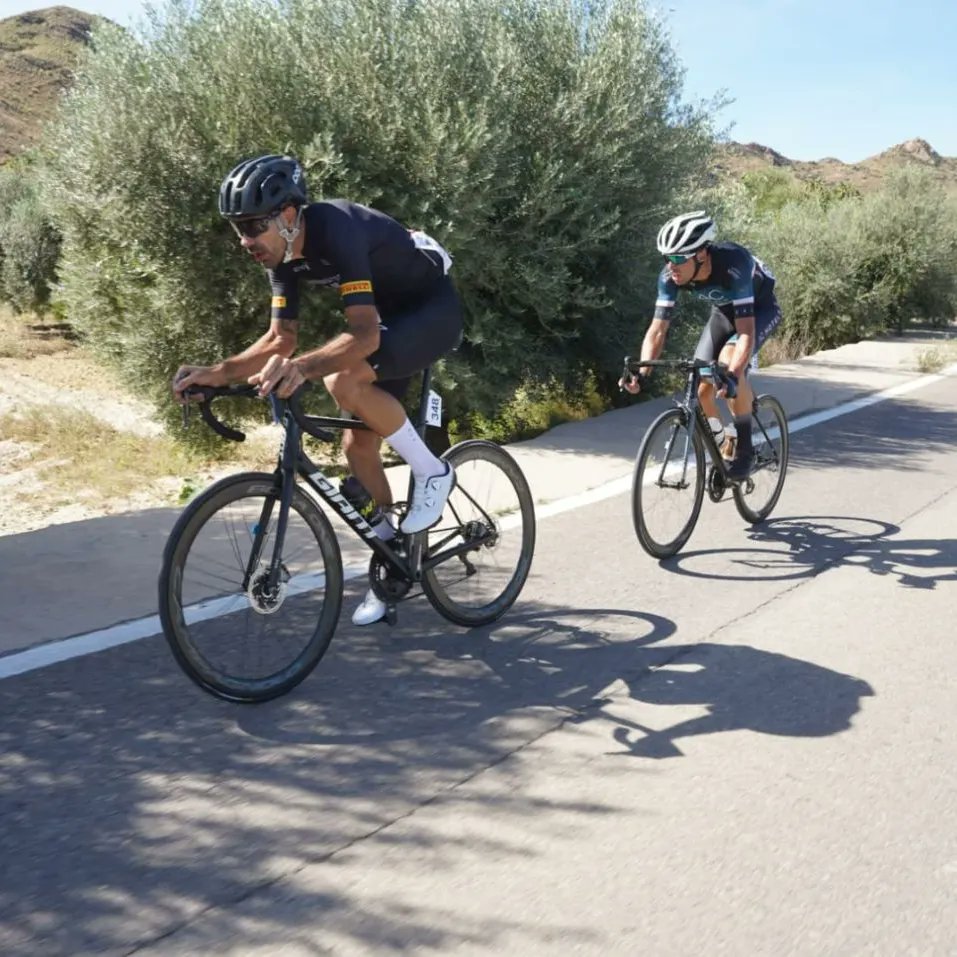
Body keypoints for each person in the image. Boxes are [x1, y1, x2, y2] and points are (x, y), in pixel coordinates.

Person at [173, 153, 463, 625]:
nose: (245, 240)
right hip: (389, 322)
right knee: (357, 445)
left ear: (288, 215)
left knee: (340, 378)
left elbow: (364, 336)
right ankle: (392, 561)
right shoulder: (282, 256)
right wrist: (217, 372)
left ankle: (433, 472)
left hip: (429, 310)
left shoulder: (337, 228)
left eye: (251, 226)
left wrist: (302, 369)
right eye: (237, 228)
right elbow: (279, 339)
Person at [620, 210, 782, 479]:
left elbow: (745, 332)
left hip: (759, 310)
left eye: (676, 258)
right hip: (722, 313)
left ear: (702, 254)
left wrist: (732, 374)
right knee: (703, 386)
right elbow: (657, 329)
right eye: (666, 258)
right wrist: (642, 372)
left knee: (730, 365)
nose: (670, 266)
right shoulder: (670, 277)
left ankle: (745, 450)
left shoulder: (734, 263)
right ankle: (722, 440)